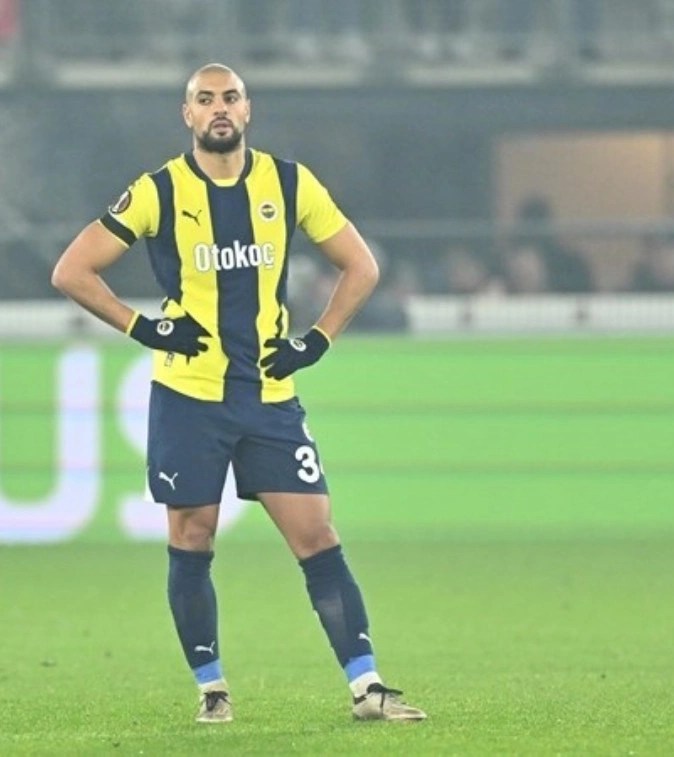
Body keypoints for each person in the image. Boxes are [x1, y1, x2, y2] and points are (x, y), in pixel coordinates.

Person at [51, 63, 425, 724]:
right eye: (205, 99)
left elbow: (361, 265)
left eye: (230, 97)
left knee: (317, 534)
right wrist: (145, 327)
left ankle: (367, 687)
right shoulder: (158, 191)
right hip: (188, 397)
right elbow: (72, 270)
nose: (218, 108)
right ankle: (212, 688)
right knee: (192, 536)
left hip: (269, 396)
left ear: (248, 110)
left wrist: (318, 339)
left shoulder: (289, 182)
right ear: (188, 114)